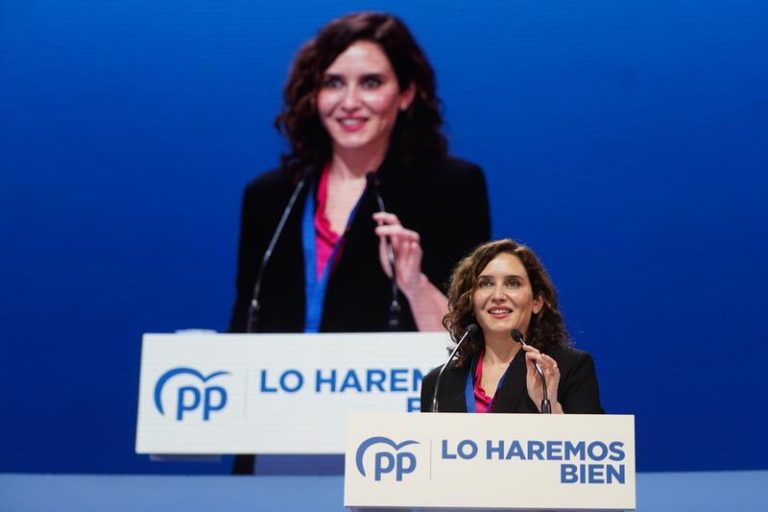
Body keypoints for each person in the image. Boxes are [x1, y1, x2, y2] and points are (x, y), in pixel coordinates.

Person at [228, 12, 491, 472]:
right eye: (333, 83)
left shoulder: (451, 189)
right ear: (313, 95)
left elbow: (475, 343)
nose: (349, 102)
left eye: (371, 83)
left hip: (400, 449)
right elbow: (242, 329)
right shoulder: (270, 197)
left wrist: (415, 284)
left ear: (406, 93)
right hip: (275, 439)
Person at [421, 239, 603, 414]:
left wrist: (550, 406)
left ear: (537, 301)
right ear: (471, 301)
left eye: (512, 283)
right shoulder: (438, 382)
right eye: (486, 284)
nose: (498, 296)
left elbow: (593, 436)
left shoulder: (568, 368)